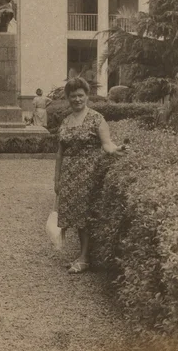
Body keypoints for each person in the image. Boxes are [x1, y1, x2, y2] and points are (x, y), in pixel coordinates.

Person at [54, 77, 128, 274]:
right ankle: (83, 255)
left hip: (88, 174)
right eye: (73, 96)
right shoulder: (66, 121)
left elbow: (106, 144)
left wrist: (115, 150)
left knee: (85, 216)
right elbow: (60, 153)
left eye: (80, 95)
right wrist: (57, 180)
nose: (77, 99)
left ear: (87, 96)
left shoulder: (96, 118)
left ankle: (85, 258)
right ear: (68, 98)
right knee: (77, 218)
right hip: (70, 175)